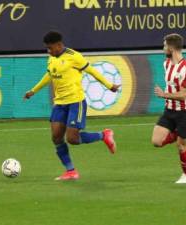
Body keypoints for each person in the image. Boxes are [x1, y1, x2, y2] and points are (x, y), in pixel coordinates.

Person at [24, 31, 121, 180]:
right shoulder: (51, 59)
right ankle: (71, 171)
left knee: (73, 139)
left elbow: (92, 71)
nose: (49, 51)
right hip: (60, 103)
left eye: (50, 48)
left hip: (76, 102)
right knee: (56, 137)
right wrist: (33, 91)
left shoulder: (74, 56)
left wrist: (109, 85)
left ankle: (104, 135)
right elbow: (49, 74)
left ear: (59, 45)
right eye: (47, 49)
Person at [151, 33, 186, 184]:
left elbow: (184, 95)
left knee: (181, 145)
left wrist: (164, 94)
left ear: (171, 48)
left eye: (165, 45)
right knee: (156, 141)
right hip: (170, 110)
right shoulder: (166, 64)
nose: (163, 48)